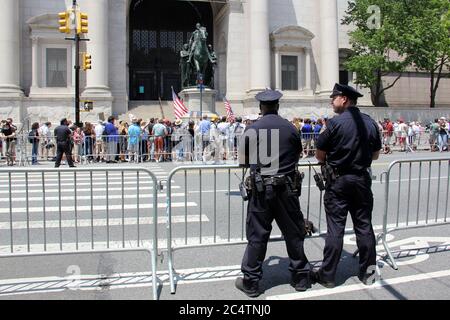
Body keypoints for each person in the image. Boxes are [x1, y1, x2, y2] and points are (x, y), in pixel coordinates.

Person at [235, 89, 312, 298]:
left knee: (257, 235)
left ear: (261, 108)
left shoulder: (252, 129)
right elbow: (297, 155)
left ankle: (251, 281)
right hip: (287, 188)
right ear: (277, 106)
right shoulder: (290, 127)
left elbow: (242, 160)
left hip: (261, 189)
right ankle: (301, 277)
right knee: (294, 233)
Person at [314, 83, 381, 288]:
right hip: (361, 180)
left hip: (339, 182)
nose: (331, 101)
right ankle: (368, 273)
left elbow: (319, 153)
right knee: (364, 226)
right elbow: (376, 154)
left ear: (344, 99)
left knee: (336, 228)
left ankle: (328, 276)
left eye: (333, 97)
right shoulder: (370, 123)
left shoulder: (334, 124)